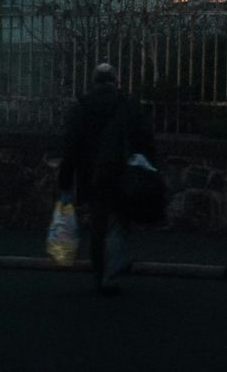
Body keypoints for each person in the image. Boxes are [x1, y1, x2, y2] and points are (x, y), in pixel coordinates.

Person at [56, 61, 157, 295]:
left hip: (92, 175)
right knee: (120, 223)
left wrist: (65, 183)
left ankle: (100, 272)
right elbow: (145, 139)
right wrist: (149, 168)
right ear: (115, 81)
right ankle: (112, 274)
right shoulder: (127, 105)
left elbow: (71, 148)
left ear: (94, 82)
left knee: (98, 225)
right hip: (122, 173)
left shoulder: (81, 108)